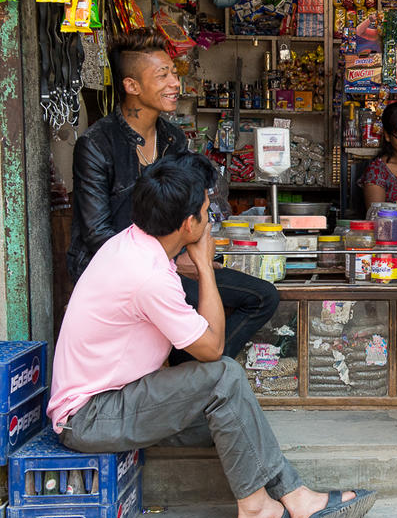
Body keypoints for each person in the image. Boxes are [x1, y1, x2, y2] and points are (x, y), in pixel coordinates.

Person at [47, 155, 376, 518]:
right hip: (91, 417)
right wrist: (204, 267)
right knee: (224, 377)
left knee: (235, 415)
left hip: (113, 402)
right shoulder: (148, 276)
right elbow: (212, 348)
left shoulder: (133, 245)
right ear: (189, 224)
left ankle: (285, 501)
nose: (210, 218)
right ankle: (265, 510)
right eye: (206, 211)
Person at [66, 28, 278, 364]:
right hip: (116, 273)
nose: (175, 83)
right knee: (199, 306)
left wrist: (191, 254)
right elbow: (97, 235)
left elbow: (188, 208)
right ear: (132, 86)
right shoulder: (96, 145)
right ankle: (196, 377)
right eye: (162, 75)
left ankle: (189, 375)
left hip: (168, 265)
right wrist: (170, 261)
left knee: (262, 296)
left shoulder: (172, 139)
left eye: (174, 73)